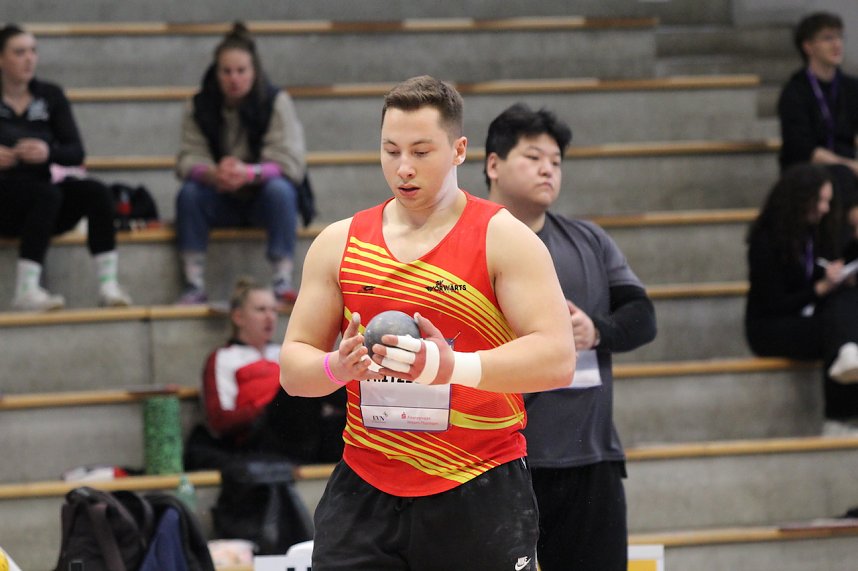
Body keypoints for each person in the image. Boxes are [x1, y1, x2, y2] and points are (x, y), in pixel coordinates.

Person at [279, 76, 576, 571]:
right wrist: (337, 366)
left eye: (421, 151)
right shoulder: (339, 243)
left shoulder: (503, 238)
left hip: (478, 484)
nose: (403, 168)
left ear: (459, 150)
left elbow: (557, 359)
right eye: (391, 150)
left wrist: (450, 366)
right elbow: (293, 369)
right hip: (365, 487)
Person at [484, 103, 657, 571]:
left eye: (556, 161)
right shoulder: (468, 242)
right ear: (492, 165)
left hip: (590, 459)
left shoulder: (589, 241)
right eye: (534, 157)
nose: (548, 169)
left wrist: (597, 329)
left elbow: (642, 316)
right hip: (497, 460)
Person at [0, 24, 132, 311]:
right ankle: (26, 289)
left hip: (44, 200)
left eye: (33, 51)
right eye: (19, 52)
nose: (29, 59)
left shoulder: (50, 95)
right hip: (6, 201)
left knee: (96, 191)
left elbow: (76, 152)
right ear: (1, 59)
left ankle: (108, 285)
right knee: (46, 194)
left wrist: (48, 152)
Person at [175, 21, 306, 306]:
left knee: (282, 191)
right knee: (189, 194)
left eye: (241, 71)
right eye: (227, 71)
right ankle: (193, 282)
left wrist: (249, 173)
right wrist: (213, 173)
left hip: (262, 198)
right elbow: (187, 158)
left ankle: (282, 279)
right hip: (219, 196)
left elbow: (290, 162)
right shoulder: (198, 105)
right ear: (216, 72)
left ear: (254, 71)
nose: (234, 78)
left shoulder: (276, 102)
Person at [184, 276, 346, 471]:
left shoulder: (281, 352)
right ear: (238, 317)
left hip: (306, 432)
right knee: (299, 381)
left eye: (273, 310)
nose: (270, 317)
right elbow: (220, 421)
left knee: (346, 419)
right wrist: (267, 406)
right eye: (261, 310)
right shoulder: (223, 358)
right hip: (261, 438)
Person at [745, 163, 858, 436]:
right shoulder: (766, 240)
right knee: (837, 332)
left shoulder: (813, 232)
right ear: (800, 199)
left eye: (828, 201)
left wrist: (834, 275)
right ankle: (838, 417)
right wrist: (819, 289)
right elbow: (773, 303)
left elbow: (818, 269)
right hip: (770, 328)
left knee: (845, 304)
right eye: (820, 201)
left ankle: (843, 411)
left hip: (805, 316)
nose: (825, 209)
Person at [778, 11, 858, 255]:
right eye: (828, 38)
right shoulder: (795, 90)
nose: (837, 44)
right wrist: (851, 165)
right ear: (808, 46)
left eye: (839, 37)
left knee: (845, 175)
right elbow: (803, 148)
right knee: (841, 175)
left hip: (848, 167)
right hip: (807, 168)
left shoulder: (850, 87)